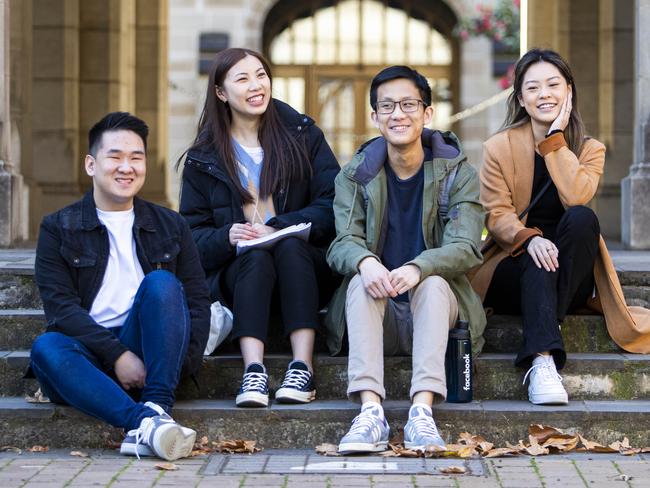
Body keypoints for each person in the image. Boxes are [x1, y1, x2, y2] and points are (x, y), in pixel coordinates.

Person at [30, 112, 211, 461]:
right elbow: (61, 310)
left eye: (136, 158)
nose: (126, 167)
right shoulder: (57, 227)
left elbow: (198, 302)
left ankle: (157, 403)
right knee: (46, 346)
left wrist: (175, 367)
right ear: (91, 164)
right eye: (114, 156)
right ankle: (148, 422)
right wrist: (118, 356)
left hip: (151, 357)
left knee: (161, 283)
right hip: (88, 357)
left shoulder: (171, 225)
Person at [326, 66, 486, 454]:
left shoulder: (457, 173)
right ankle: (370, 413)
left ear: (427, 113)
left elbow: (467, 245)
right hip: (378, 318)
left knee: (432, 283)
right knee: (363, 281)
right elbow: (341, 242)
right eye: (387, 106)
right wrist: (365, 261)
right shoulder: (355, 175)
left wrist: (418, 267)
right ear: (375, 117)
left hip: (436, 315)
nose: (398, 114)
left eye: (409, 104)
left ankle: (422, 413)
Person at [178, 48, 339, 408]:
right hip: (243, 276)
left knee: (288, 247)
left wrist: (279, 226)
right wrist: (227, 236)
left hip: (305, 269)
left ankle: (302, 366)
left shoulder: (303, 135)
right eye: (243, 78)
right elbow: (191, 237)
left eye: (261, 75)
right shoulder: (204, 157)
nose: (256, 85)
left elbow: (333, 204)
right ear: (221, 92)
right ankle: (253, 370)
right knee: (256, 258)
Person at [470, 49, 606, 405]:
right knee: (537, 257)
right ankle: (542, 361)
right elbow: (496, 214)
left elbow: (578, 196)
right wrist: (528, 240)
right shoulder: (498, 147)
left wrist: (555, 139)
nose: (543, 94)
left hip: (568, 275)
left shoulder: (590, 150)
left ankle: (545, 325)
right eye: (533, 87)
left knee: (582, 218)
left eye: (552, 85)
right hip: (511, 267)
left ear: (569, 92)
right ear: (520, 98)